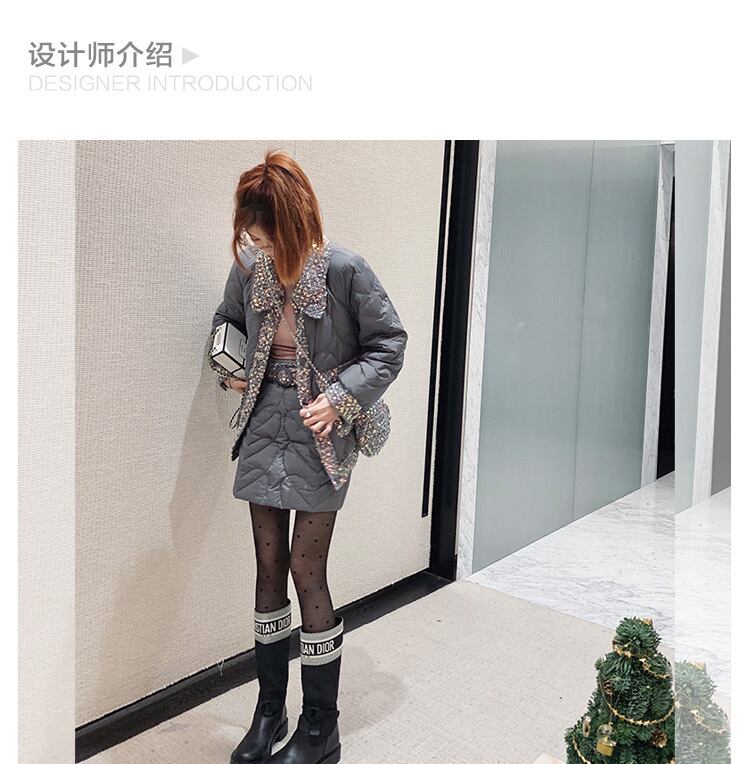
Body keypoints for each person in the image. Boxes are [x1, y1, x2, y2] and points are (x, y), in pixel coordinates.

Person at [207, 150, 408, 764]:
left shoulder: (345, 269)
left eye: (266, 236)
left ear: (295, 224)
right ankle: (269, 712)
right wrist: (230, 368)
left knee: (304, 567)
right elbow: (226, 324)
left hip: (322, 431)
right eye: (252, 237)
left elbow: (389, 343)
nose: (258, 247)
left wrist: (341, 397)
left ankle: (322, 728)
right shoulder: (250, 268)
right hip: (264, 424)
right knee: (267, 567)